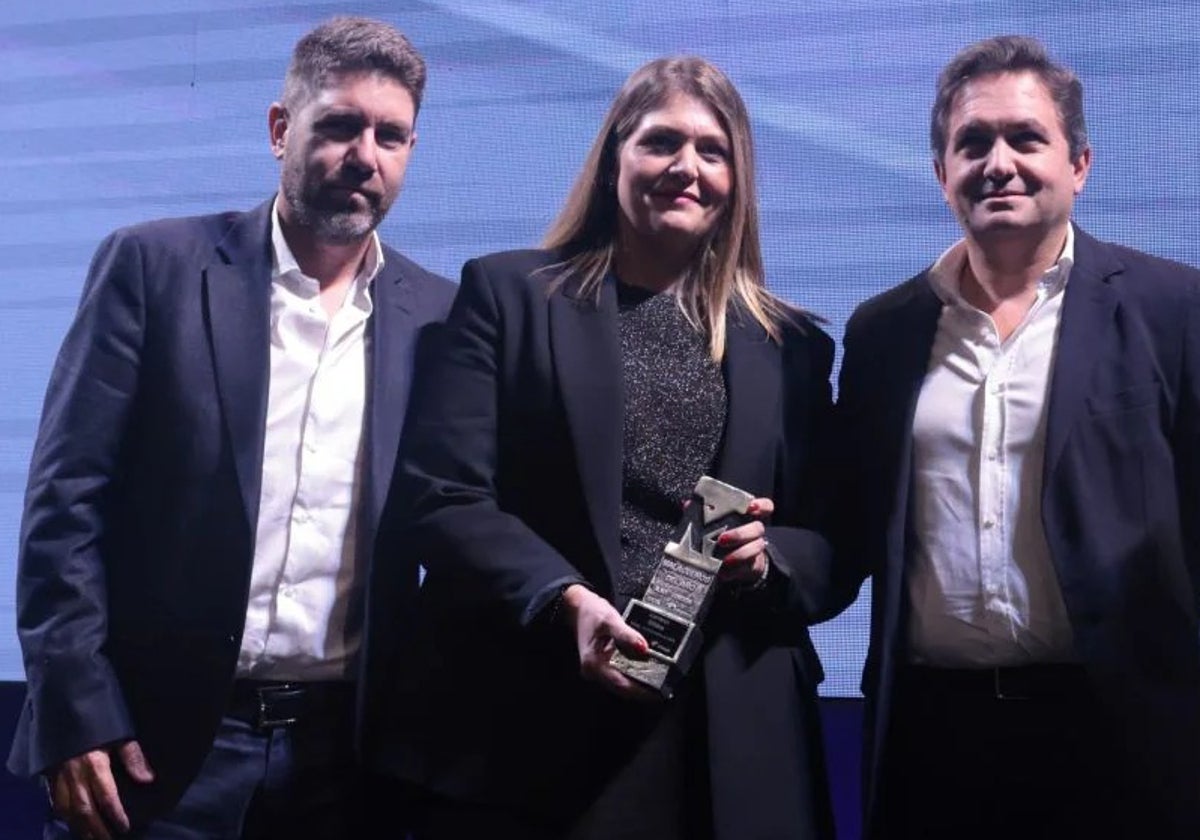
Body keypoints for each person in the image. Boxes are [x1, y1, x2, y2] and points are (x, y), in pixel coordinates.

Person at [7, 16, 455, 840]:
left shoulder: (439, 316)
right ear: (281, 128)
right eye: (339, 125)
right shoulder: (154, 268)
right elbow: (64, 508)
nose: (366, 156)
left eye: (391, 136)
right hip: (153, 751)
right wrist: (73, 710)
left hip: (346, 764)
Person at [371, 56, 837, 840]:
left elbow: (836, 537)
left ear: (739, 176)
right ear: (615, 156)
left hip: (725, 744)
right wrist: (564, 599)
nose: (685, 167)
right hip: (522, 728)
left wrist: (771, 560)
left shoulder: (792, 347)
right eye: (660, 143)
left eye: (711, 150)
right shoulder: (509, 296)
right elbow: (440, 498)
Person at [831, 34, 1200, 840]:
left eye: (1026, 138)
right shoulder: (882, 332)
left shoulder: (1176, 310)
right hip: (934, 736)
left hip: (1120, 736)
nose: (998, 162)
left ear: (1080, 165)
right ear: (941, 174)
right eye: (973, 142)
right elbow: (849, 525)